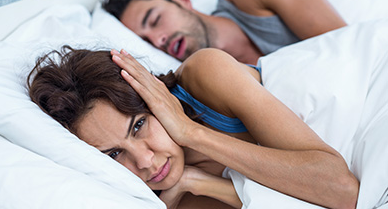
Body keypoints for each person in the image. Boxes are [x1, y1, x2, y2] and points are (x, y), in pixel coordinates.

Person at [27, 45, 358, 209]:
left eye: (139, 125)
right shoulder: (169, 196)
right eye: (114, 153)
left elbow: (343, 190)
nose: (143, 161)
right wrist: (200, 183)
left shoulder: (205, 76)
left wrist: (191, 132)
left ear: (156, 96)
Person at [102, 0, 346, 64]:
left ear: (182, 0)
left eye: (155, 20)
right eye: (146, 42)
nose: (158, 40)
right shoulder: (209, 82)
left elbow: (348, 47)